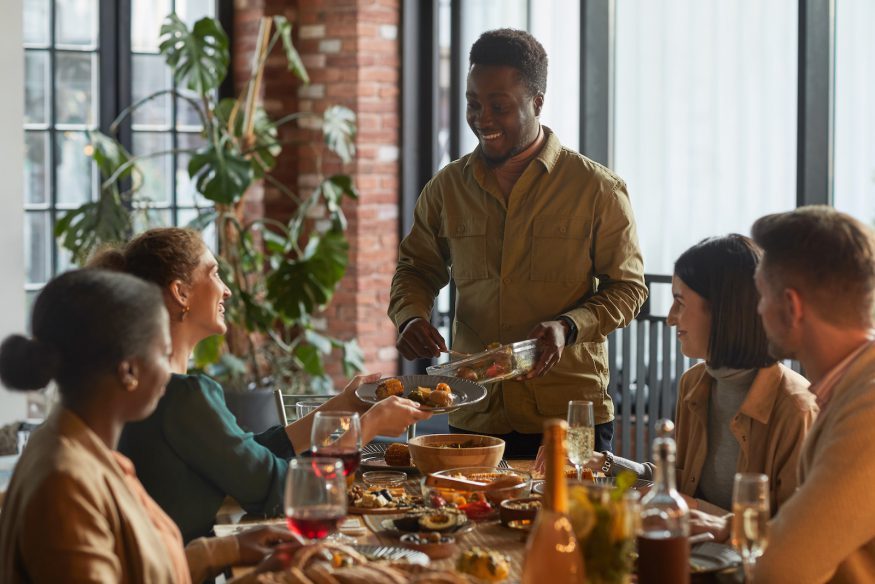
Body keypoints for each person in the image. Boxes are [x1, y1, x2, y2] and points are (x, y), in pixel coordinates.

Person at [388, 28, 647, 457]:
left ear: (537, 103)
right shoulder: (446, 187)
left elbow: (630, 290)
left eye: (499, 106)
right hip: (473, 410)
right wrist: (409, 317)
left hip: (566, 414)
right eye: (473, 103)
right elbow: (416, 268)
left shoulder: (598, 189)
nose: (482, 118)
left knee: (566, 524)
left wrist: (568, 326)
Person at [90, 227, 432, 542]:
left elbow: (249, 455)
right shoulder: (183, 395)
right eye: (213, 273)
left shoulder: (142, 389)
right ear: (181, 293)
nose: (225, 288)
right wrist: (367, 427)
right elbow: (286, 493)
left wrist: (346, 405)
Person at [0, 269, 297, 583]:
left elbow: (131, 573)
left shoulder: (72, 444)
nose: (171, 372)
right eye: (164, 353)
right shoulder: (67, 484)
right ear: (129, 371)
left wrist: (230, 550)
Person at [575, 235, 817, 514]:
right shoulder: (695, 382)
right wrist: (604, 463)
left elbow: (786, 532)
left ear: (723, 309)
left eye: (680, 302)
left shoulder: (796, 408)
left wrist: (691, 507)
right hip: (697, 548)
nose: (670, 317)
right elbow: (681, 479)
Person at [742, 207, 875, 582]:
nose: (758, 310)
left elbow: (781, 570)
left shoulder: (869, 411)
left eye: (761, 294)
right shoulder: (850, 388)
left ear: (792, 306)